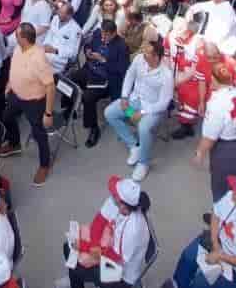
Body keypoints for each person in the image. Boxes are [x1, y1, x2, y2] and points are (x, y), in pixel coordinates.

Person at [171, 174, 236, 288]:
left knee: (200, 283)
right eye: (235, 188)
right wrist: (215, 242)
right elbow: (216, 214)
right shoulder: (231, 198)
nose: (233, 192)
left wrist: (220, 257)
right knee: (188, 256)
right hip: (220, 244)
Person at [104, 30, 174, 180]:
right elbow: (130, 75)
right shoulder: (139, 60)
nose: (143, 54)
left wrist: (141, 112)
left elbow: (164, 103)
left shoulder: (166, 75)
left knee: (143, 127)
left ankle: (144, 163)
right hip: (134, 100)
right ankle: (134, 146)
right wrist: (124, 97)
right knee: (110, 112)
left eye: (147, 53)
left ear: (156, 56)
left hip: (152, 109)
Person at [63, 176, 151, 288]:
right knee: (68, 247)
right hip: (111, 248)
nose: (112, 197)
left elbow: (114, 257)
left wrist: (84, 246)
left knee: (73, 259)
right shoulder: (123, 204)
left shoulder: (132, 229)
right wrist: (93, 245)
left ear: (123, 205)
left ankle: (75, 278)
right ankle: (75, 279)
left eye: (115, 196)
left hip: (121, 275)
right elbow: (98, 222)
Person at [0, 23, 57, 186]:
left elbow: (50, 86)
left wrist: (48, 113)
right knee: (7, 117)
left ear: (24, 38)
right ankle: (14, 143)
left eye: (16, 35)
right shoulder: (19, 48)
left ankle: (44, 165)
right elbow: (15, 66)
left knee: (39, 134)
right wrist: (10, 83)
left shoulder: (38, 58)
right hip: (17, 96)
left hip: (34, 102)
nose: (14, 37)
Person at [192, 59, 236, 202]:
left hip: (226, 153)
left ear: (213, 79)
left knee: (220, 192)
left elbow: (209, 137)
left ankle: (220, 219)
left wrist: (200, 153)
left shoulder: (216, 104)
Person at [71, 18, 129, 148]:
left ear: (114, 33)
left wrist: (103, 60)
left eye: (106, 35)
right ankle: (69, 109)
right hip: (90, 69)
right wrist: (87, 51)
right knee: (71, 78)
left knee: (88, 97)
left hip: (106, 79)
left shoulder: (121, 46)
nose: (103, 37)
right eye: (102, 33)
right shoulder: (98, 34)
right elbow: (88, 44)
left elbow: (121, 70)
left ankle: (93, 128)